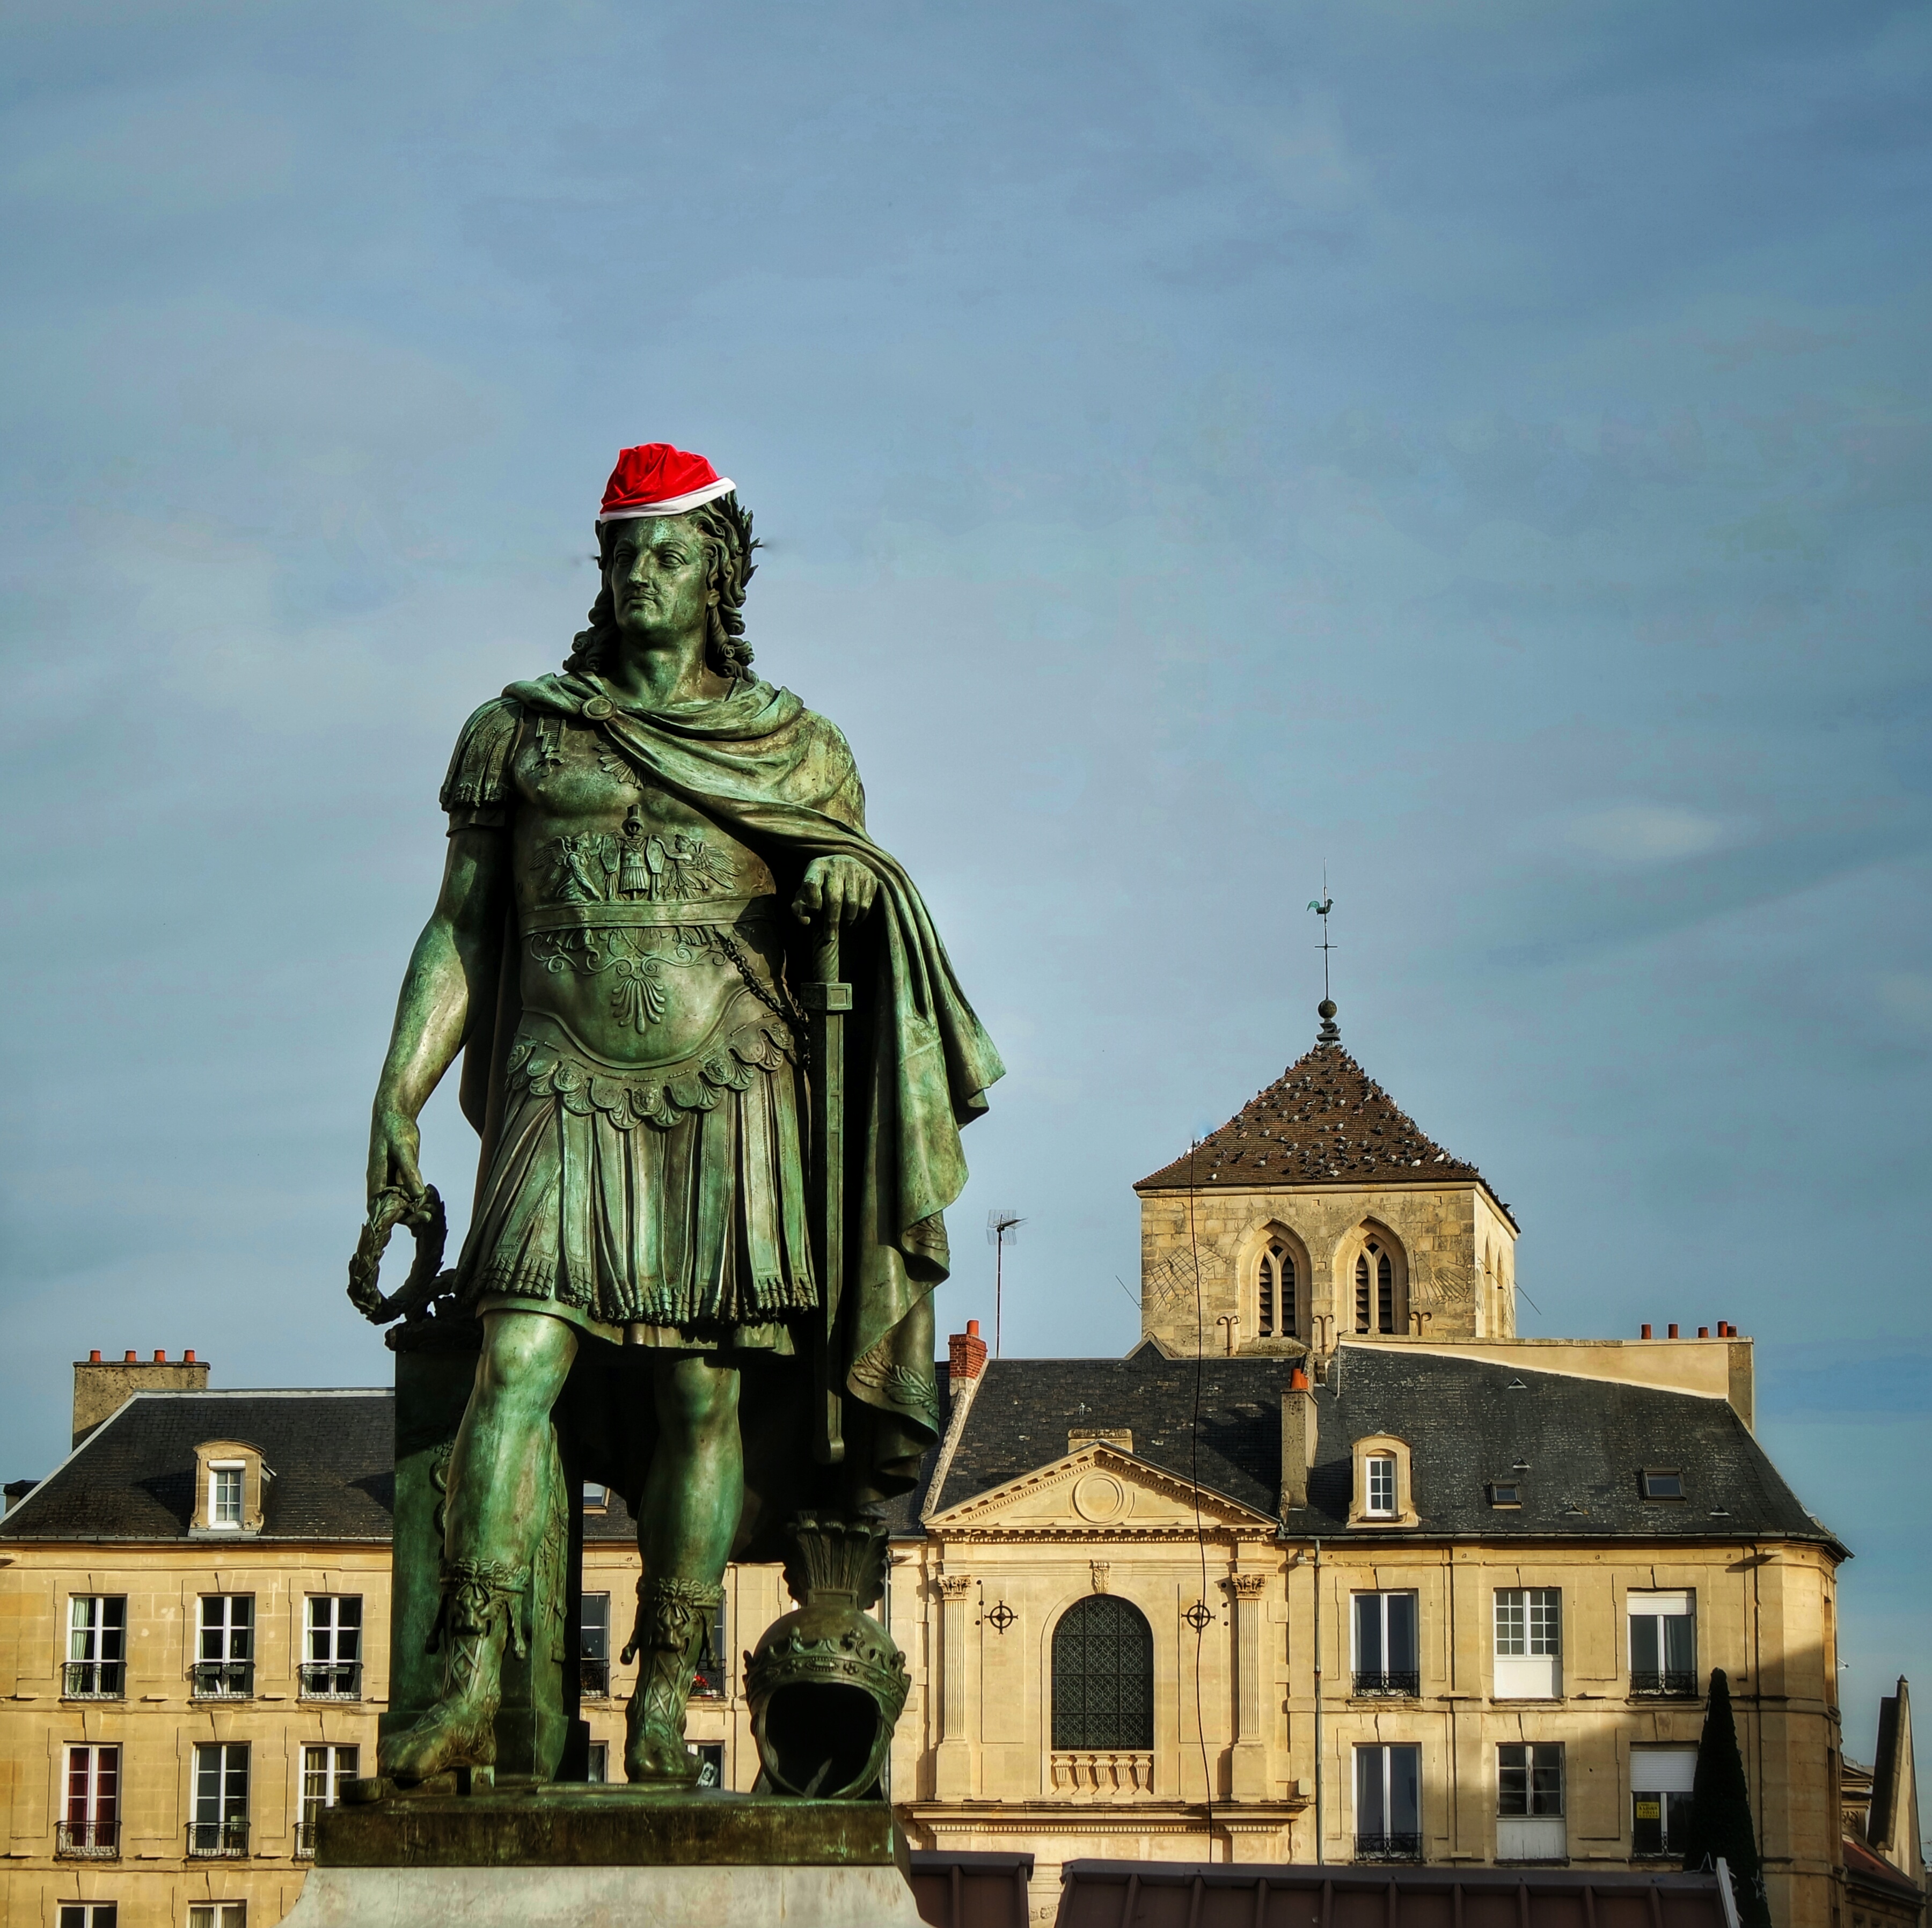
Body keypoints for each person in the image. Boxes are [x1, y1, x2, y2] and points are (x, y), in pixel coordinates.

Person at [366, 444, 1000, 1784]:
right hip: (559, 1077)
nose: (641, 578)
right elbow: (460, 933)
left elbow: (863, 894)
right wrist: (398, 1092)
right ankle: (467, 1670)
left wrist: (840, 892)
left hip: (732, 1084)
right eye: (622, 556)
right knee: (516, 1366)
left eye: (667, 557)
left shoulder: (800, 748)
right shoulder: (520, 732)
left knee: (702, 1400)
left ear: (720, 576)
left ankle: (666, 1690)